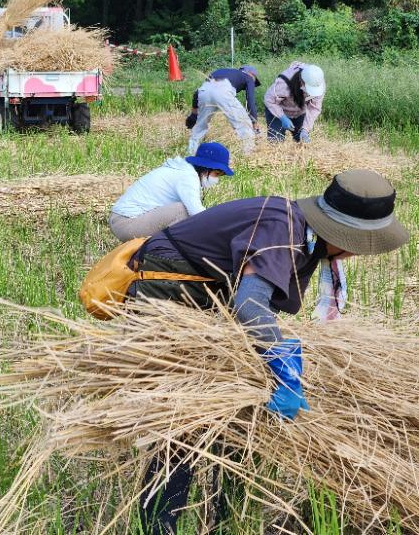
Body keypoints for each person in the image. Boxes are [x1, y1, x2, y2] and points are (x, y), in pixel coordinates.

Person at [129, 169, 408, 534]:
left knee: (234, 414)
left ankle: (225, 518)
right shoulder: (284, 231)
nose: (359, 253)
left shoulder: (300, 231)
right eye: (362, 241)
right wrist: (285, 369)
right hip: (170, 295)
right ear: (345, 233)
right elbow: (250, 305)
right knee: (182, 421)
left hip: (206, 300)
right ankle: (159, 526)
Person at [109, 142, 234, 242]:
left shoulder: (184, 170)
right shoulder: (187, 176)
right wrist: (224, 230)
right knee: (183, 211)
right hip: (126, 223)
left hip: (123, 220)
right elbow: (197, 213)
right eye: (216, 174)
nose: (216, 179)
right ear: (205, 168)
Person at [186, 65, 261, 155]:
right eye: (254, 80)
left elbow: (197, 93)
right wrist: (254, 122)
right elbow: (250, 100)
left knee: (199, 126)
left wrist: (194, 115)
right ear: (251, 74)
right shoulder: (248, 77)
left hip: (204, 91)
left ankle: (191, 152)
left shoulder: (223, 71)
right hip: (223, 91)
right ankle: (249, 154)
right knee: (244, 124)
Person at [263, 62, 325, 144]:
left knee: (303, 143)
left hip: (300, 112)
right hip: (278, 111)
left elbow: (314, 108)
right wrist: (282, 117)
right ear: (301, 81)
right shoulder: (284, 82)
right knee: (275, 142)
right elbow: (269, 99)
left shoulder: (318, 84)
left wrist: (305, 129)